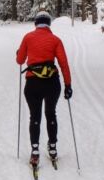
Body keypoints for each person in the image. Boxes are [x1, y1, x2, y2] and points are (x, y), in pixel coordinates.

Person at [16, 11, 72, 168]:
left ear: (36, 23)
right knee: (50, 113)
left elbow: (20, 60)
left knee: (35, 116)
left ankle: (35, 151)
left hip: (32, 83)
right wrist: (68, 85)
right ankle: (53, 148)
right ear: (49, 24)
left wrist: (19, 54)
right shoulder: (55, 40)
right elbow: (64, 64)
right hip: (52, 83)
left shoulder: (28, 37)